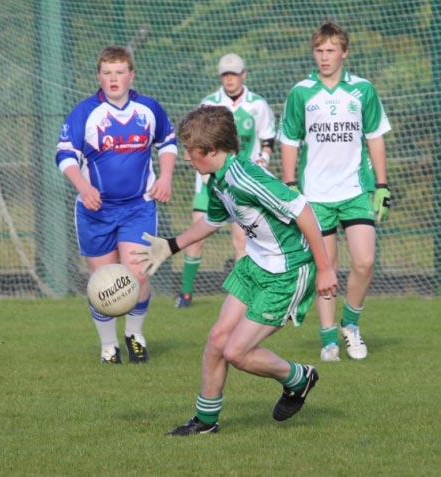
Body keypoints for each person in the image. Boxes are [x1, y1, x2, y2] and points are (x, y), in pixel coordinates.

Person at [132, 105, 338, 435]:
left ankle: (299, 378)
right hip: (254, 265)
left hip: (287, 273)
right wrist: (170, 245)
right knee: (216, 340)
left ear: (212, 150)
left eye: (191, 150)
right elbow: (212, 222)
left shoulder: (245, 177)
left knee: (236, 352)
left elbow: (303, 210)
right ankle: (205, 422)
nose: (187, 158)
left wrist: (325, 268)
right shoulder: (218, 180)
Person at [55, 46, 177, 364]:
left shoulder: (148, 109)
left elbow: (168, 142)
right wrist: (83, 187)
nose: (113, 78)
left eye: (119, 72)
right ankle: (108, 346)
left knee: (138, 275)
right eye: (107, 72)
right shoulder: (85, 113)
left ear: (131, 75)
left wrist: (164, 178)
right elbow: (65, 155)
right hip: (95, 210)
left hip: (138, 207)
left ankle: (134, 334)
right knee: (103, 281)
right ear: (99, 76)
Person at [279, 22, 391, 362]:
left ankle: (350, 325)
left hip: (356, 190)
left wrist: (382, 186)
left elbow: (375, 137)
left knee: (365, 261)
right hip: (316, 195)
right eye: (319, 50)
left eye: (331, 50)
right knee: (325, 267)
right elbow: (288, 140)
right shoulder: (301, 92)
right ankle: (328, 340)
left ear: (345, 52)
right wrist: (289, 186)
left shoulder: (363, 91)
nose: (324, 57)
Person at [175, 53, 276, 308]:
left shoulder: (258, 105)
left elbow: (268, 138)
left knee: (242, 241)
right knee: (196, 235)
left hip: (241, 185)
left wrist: (264, 158)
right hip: (209, 185)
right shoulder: (209, 104)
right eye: (225, 75)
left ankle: (246, 294)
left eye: (234, 74)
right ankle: (186, 293)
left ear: (243, 75)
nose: (229, 79)